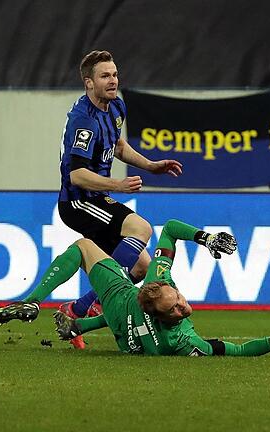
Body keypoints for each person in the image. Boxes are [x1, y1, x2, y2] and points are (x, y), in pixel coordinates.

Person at [0, 219, 270, 356]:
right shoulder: (183, 341)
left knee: (84, 247)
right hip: (122, 318)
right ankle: (66, 318)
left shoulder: (154, 288)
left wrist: (206, 238)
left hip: (119, 301)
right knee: (101, 246)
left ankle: (37, 302)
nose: (182, 306)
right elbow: (239, 351)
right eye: (176, 308)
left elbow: (171, 228)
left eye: (178, 300)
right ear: (161, 316)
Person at [56, 50, 182, 333]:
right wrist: (118, 185)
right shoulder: (83, 120)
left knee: (141, 268)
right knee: (141, 228)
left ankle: (74, 314)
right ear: (88, 82)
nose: (113, 81)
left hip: (98, 198)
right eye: (105, 76)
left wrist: (151, 165)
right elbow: (76, 175)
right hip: (78, 201)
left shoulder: (115, 107)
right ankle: (88, 304)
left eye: (114, 74)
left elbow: (119, 146)